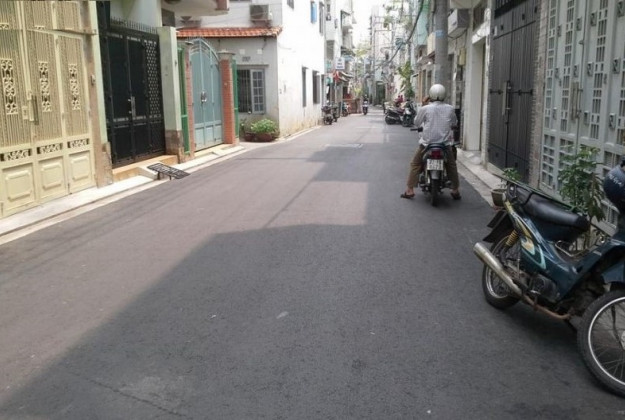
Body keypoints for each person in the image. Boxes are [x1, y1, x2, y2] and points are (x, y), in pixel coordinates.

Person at [401, 84, 461, 200]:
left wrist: (424, 105)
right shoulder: (450, 108)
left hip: (427, 144)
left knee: (415, 164)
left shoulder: (426, 108)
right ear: (444, 95)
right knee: (451, 165)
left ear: (431, 95)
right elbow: (454, 122)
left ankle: (409, 190)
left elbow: (417, 122)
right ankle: (455, 190)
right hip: (444, 145)